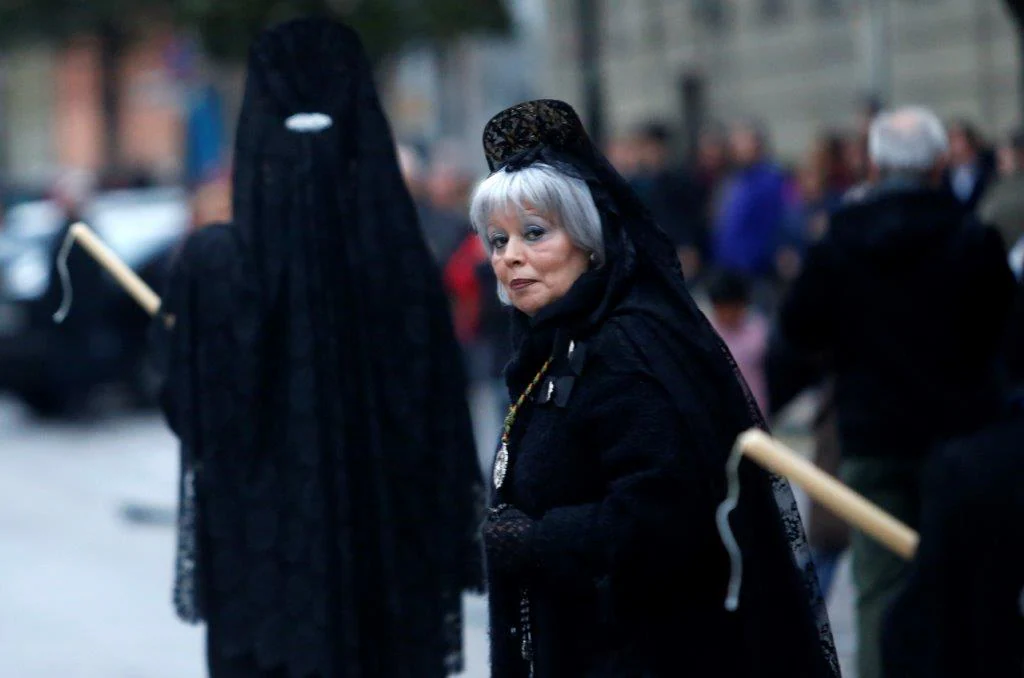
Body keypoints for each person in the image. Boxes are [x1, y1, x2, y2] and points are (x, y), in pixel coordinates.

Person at [152, 18, 484, 678]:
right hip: (388, 581)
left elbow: (186, 412)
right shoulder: (404, 271)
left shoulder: (212, 269)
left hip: (264, 583)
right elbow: (442, 429)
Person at [470, 99, 838, 678]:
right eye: (498, 240)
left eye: (534, 233)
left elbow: (663, 515)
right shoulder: (555, 340)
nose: (511, 256)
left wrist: (540, 541)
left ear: (589, 241)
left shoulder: (625, 349)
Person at [777, 105, 1017, 678]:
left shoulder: (838, 243)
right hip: (964, 447)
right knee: (971, 590)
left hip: (872, 441)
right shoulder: (973, 239)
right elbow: (1010, 334)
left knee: (879, 589)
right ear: (940, 165)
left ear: (875, 167)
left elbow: (797, 329)